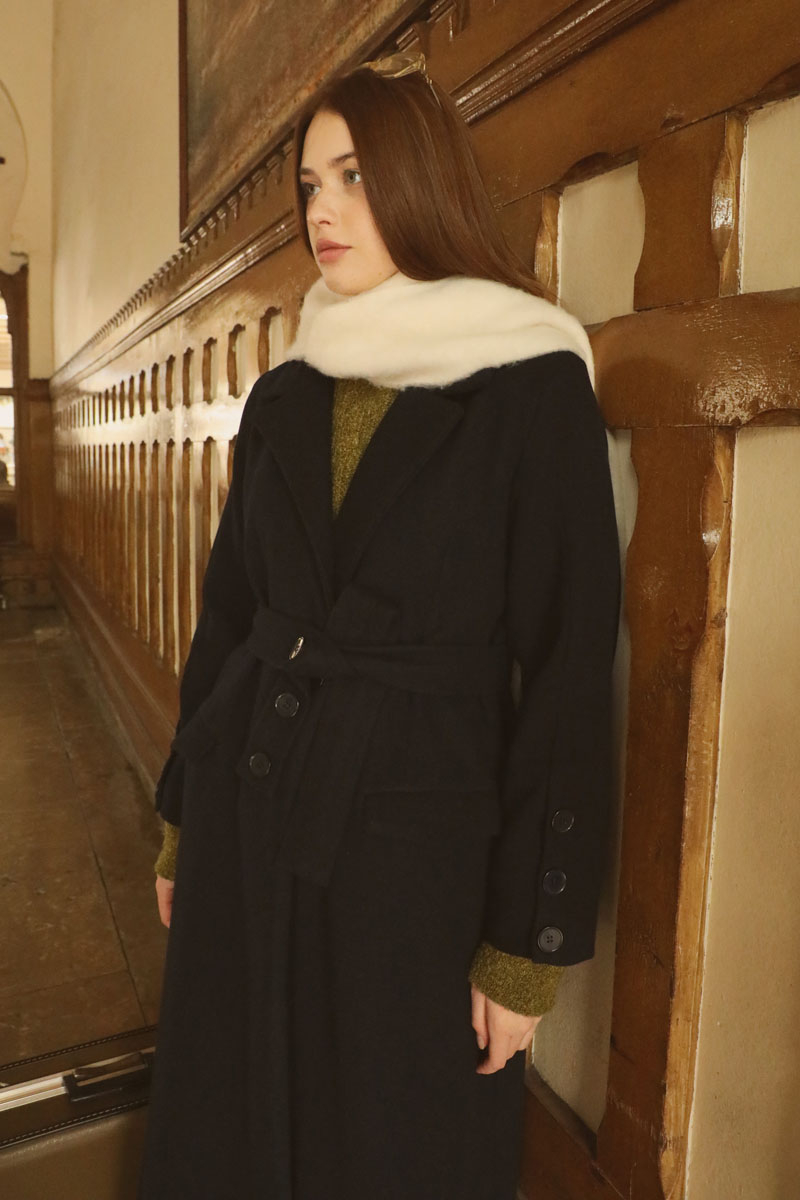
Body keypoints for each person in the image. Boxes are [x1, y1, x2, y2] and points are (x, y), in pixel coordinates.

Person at [138, 49, 621, 1200]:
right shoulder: (284, 391)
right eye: (310, 185)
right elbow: (230, 617)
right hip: (250, 807)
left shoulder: (531, 379)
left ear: (418, 179)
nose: (322, 211)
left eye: (352, 177)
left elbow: (567, 668)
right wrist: (181, 819)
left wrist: (526, 946)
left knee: (394, 1146)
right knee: (235, 1124)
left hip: (417, 855)